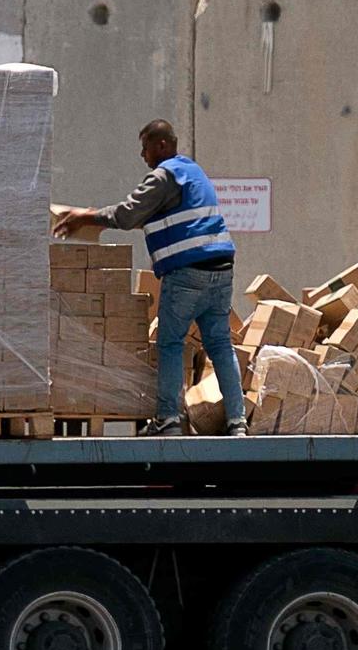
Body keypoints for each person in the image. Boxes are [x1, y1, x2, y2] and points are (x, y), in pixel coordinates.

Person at [52, 119, 244, 436]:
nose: (143, 155)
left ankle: (168, 419)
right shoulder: (193, 173)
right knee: (221, 345)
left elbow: (128, 214)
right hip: (221, 272)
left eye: (145, 147)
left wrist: (85, 217)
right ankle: (237, 422)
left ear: (163, 145)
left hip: (187, 274)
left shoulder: (165, 175)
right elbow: (155, 219)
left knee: (169, 343)